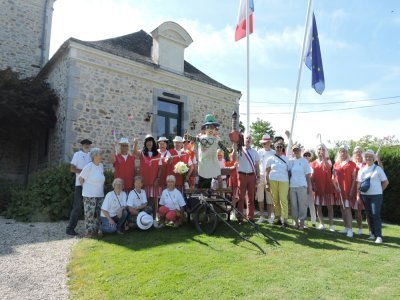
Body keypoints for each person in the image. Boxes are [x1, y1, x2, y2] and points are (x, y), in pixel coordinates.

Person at [184, 114, 230, 188]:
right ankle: (202, 196)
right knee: (202, 182)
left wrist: (227, 156)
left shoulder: (216, 138)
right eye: (209, 127)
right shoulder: (200, 137)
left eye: (213, 127)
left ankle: (221, 195)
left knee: (218, 178)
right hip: (203, 164)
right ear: (205, 128)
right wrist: (188, 137)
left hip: (213, 163)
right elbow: (193, 141)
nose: (211, 129)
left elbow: (223, 147)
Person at [357, 150, 389, 244]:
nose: (368, 158)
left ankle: (379, 236)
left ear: (373, 158)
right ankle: (372, 234)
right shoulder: (361, 170)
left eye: (370, 157)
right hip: (365, 196)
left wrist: (380, 191)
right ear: (364, 158)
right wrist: (358, 196)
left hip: (376, 196)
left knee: (375, 214)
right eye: (366, 157)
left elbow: (386, 182)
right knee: (369, 215)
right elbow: (359, 184)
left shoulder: (378, 168)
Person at [66, 139, 92, 236]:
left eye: (88, 144)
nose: (87, 145)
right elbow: (72, 168)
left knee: (90, 207)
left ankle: (90, 229)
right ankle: (70, 228)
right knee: (77, 207)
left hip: (90, 185)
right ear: (82, 145)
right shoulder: (77, 154)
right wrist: (84, 173)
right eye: (85, 144)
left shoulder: (91, 155)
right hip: (79, 185)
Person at [79, 148, 105, 238]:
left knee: (99, 214)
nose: (102, 156)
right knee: (89, 214)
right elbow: (81, 178)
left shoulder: (101, 166)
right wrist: (86, 188)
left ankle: (97, 230)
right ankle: (88, 232)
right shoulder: (89, 166)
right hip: (89, 194)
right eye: (100, 154)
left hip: (100, 194)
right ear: (95, 156)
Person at [333, 145, 357, 238]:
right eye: (341, 151)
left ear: (347, 153)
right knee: (342, 209)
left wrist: (351, 191)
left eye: (344, 151)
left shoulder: (352, 164)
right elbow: (333, 178)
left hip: (348, 190)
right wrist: (335, 187)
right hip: (339, 191)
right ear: (339, 153)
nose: (343, 153)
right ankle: (346, 227)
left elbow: (354, 179)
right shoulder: (336, 164)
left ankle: (350, 230)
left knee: (347, 209)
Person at [134, 134, 160, 219]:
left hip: (153, 181)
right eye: (147, 141)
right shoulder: (142, 153)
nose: (149, 143)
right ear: (145, 143)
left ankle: (155, 217)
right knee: (145, 199)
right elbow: (134, 152)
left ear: (153, 143)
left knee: (155, 199)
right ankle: (146, 217)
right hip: (144, 181)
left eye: (151, 141)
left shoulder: (158, 154)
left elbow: (160, 167)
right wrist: (135, 143)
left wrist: (157, 178)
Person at [310, 144, 335, 231]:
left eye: (322, 149)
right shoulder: (312, 163)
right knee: (318, 206)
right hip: (318, 187)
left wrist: (324, 157)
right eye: (319, 149)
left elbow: (328, 167)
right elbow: (311, 176)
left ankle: (331, 225)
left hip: (327, 187)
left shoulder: (328, 160)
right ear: (316, 151)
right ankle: (322, 224)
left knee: (329, 207)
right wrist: (312, 185)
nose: (320, 151)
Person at [237, 134, 260, 223]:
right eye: (247, 138)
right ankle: (240, 218)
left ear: (252, 141)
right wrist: (236, 148)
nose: (248, 139)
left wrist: (258, 177)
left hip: (251, 176)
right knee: (241, 197)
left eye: (250, 138)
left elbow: (257, 166)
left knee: (251, 197)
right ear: (244, 140)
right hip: (242, 175)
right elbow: (235, 159)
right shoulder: (240, 150)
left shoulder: (255, 152)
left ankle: (250, 217)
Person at [266, 141, 289, 227]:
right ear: (274, 148)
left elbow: (289, 172)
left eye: (280, 147)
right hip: (273, 181)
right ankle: (278, 218)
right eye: (277, 147)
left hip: (284, 181)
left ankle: (285, 220)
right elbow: (267, 172)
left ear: (282, 148)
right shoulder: (270, 158)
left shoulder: (286, 159)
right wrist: (267, 183)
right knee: (275, 200)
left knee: (283, 199)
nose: (279, 148)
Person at [289, 144, 312, 230]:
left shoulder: (304, 161)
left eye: (297, 150)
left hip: (302, 186)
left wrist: (309, 187)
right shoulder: (291, 161)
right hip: (292, 186)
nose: (296, 151)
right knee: (294, 205)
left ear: (300, 151)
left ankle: (301, 222)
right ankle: (295, 222)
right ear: (293, 151)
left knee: (302, 205)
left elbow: (308, 176)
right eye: (294, 150)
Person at [256, 133, 275, 224]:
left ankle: (270, 216)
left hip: (270, 177)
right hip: (260, 176)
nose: (264, 144)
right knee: (260, 198)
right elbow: (256, 164)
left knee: (269, 199)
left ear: (269, 142)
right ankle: (262, 216)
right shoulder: (259, 152)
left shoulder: (273, 152)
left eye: (266, 143)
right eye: (263, 143)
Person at [352, 146, 367, 235]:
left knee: (368, 211)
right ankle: (360, 229)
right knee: (357, 211)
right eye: (356, 152)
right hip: (354, 189)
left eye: (360, 151)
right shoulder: (352, 164)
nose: (358, 153)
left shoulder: (366, 163)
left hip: (364, 189)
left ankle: (371, 231)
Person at [302, 149, 317, 227]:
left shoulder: (312, 165)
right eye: (305, 155)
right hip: (302, 186)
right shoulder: (301, 164)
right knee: (302, 204)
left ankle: (313, 221)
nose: (307, 156)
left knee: (311, 204)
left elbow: (313, 177)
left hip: (310, 186)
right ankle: (302, 221)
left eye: (308, 155)